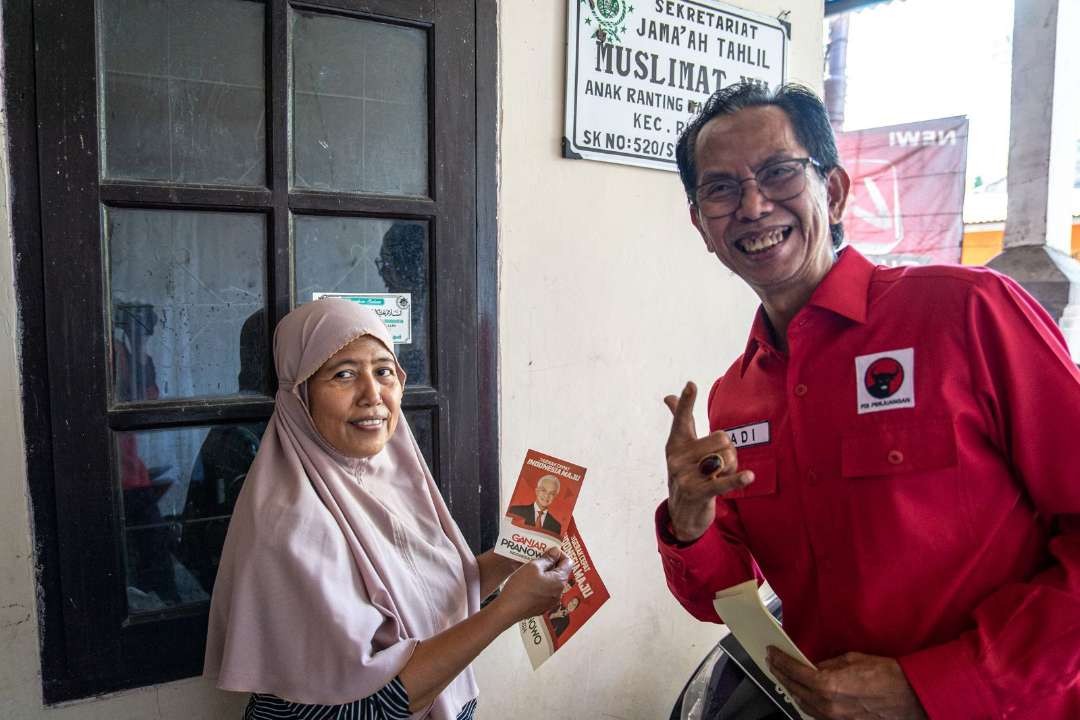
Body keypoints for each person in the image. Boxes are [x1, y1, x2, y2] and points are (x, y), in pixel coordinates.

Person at [656, 82, 1080, 719]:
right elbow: (726, 594)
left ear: (832, 191)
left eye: (777, 173)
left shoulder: (966, 313)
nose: (751, 204)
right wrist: (690, 522)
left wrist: (938, 684)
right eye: (719, 188)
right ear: (701, 225)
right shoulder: (734, 396)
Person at [205, 298, 572, 719]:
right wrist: (509, 610)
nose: (373, 395)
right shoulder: (291, 523)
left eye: (384, 371)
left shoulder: (393, 479)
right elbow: (378, 703)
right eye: (343, 375)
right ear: (300, 394)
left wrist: (513, 557)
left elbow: (434, 594)